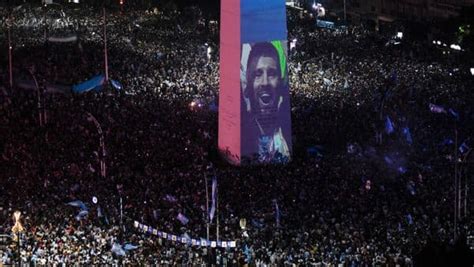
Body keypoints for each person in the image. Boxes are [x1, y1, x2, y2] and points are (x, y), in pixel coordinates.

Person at [243, 42, 291, 163]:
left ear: (280, 85)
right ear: (247, 88)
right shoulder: (241, 138)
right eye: (257, 74)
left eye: (271, 74)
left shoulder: (288, 136)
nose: (265, 83)